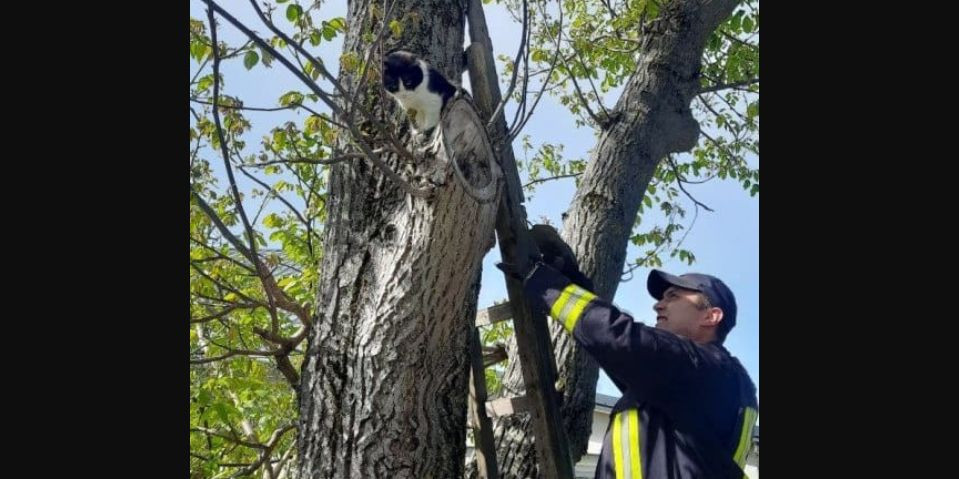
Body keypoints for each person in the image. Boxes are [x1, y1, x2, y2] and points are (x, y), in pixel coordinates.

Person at [498, 225, 758, 479]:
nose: (658, 305)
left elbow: (620, 339)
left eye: (673, 296)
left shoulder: (709, 368)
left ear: (711, 316)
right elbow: (619, 353)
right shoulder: (694, 382)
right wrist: (574, 282)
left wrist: (544, 283)